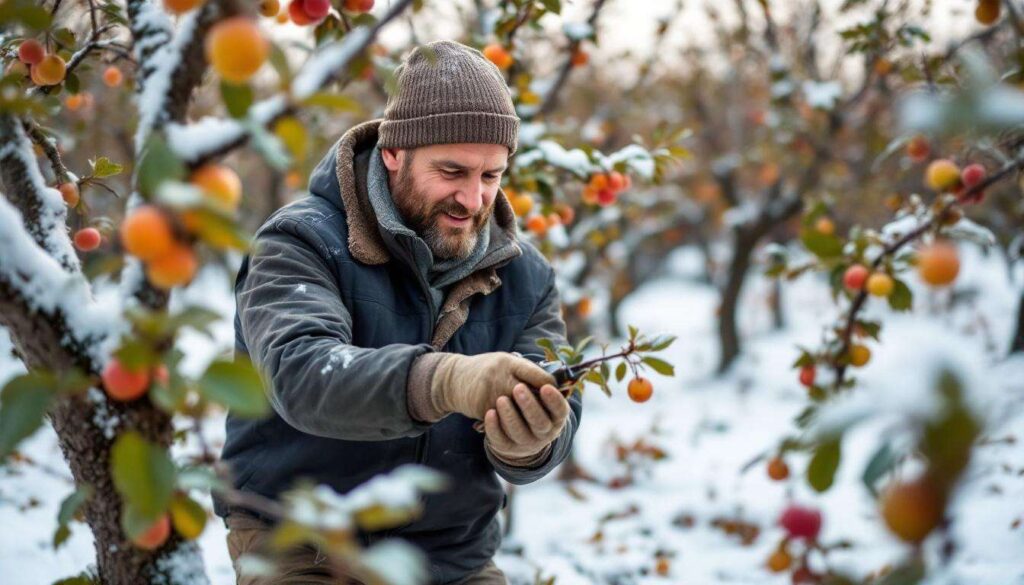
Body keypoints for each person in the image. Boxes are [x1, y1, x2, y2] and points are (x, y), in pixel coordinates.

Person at [213, 39, 583, 585]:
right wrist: (446, 381)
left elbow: (556, 423)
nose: (473, 199)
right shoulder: (299, 242)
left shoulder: (526, 275)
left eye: (491, 175)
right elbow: (301, 372)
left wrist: (529, 440)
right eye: (452, 171)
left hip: (451, 553)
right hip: (304, 541)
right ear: (393, 153)